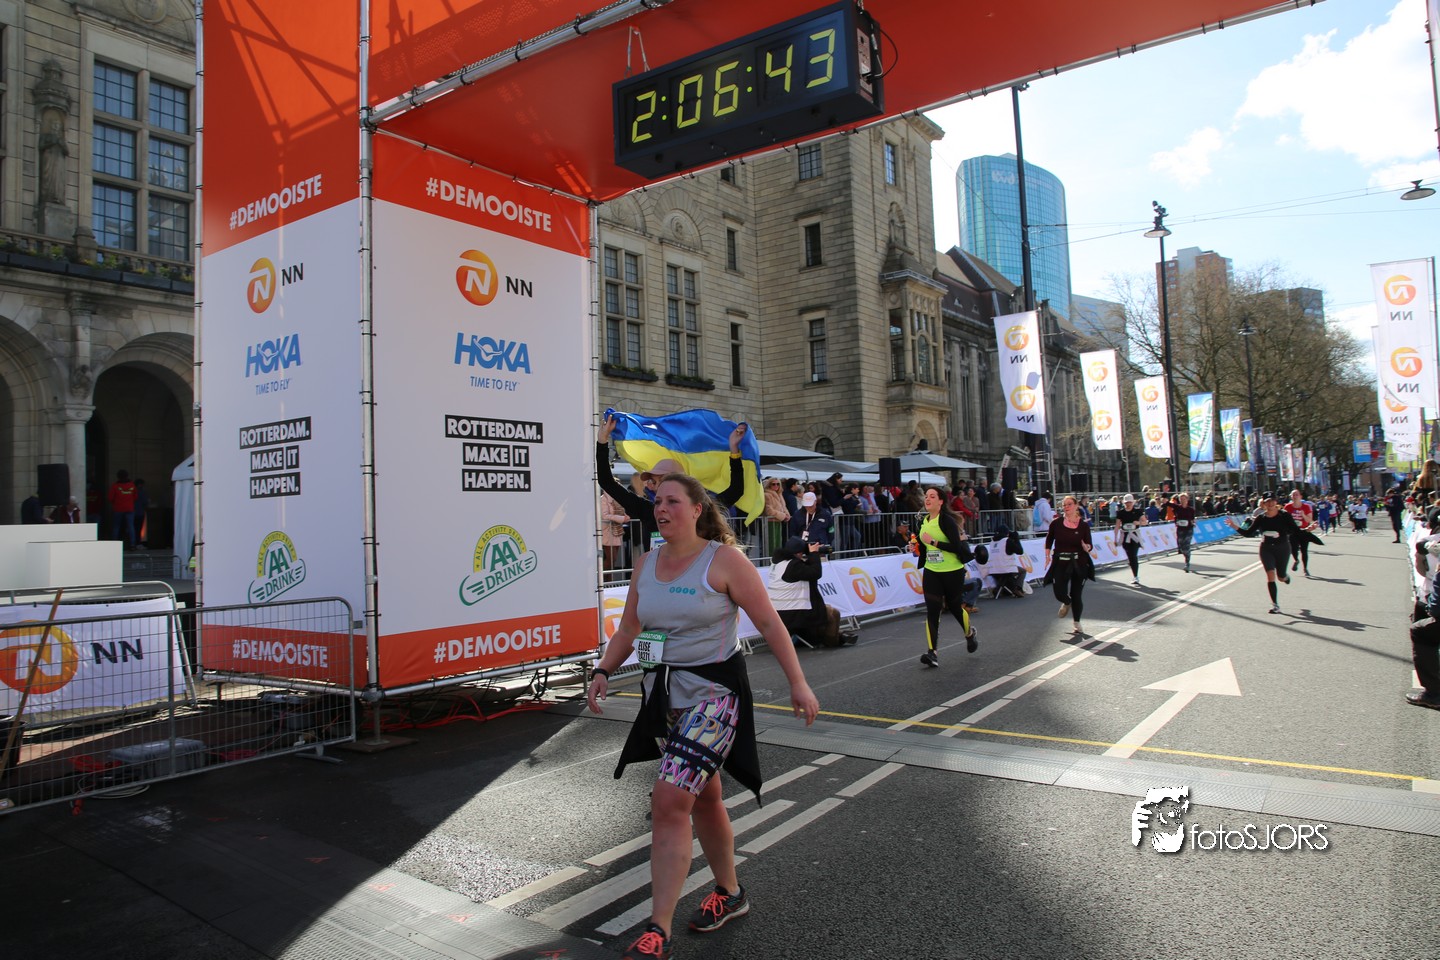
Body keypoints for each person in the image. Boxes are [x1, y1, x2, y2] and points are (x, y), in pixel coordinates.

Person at [586, 473, 818, 960]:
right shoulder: (646, 563)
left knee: (670, 799)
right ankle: (731, 893)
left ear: (696, 510)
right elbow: (630, 628)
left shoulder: (724, 561)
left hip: (715, 697)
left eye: (672, 501)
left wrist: (798, 683)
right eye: (657, 501)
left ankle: (658, 929)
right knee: (705, 797)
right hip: (664, 698)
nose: (661, 508)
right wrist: (605, 668)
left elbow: (770, 622)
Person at [597, 413, 746, 554]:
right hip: (660, 573)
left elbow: (736, 489)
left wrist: (734, 451)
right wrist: (602, 441)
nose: (653, 486)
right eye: (653, 481)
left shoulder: (700, 508)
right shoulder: (648, 510)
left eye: (659, 480)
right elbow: (607, 482)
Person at [916, 486, 977, 667]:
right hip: (932, 570)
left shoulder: (946, 521)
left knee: (955, 607)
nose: (927, 499)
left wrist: (934, 542)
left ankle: (969, 634)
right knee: (932, 610)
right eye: (926, 496)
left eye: (932, 496)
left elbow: (956, 547)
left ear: (941, 501)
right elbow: (924, 546)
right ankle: (932, 653)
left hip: (952, 571)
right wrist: (916, 547)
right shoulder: (924, 521)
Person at [768, 536, 855, 648]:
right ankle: (833, 641)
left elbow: (804, 570)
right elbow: (815, 573)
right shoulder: (793, 565)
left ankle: (833, 636)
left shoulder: (778, 563)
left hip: (777, 612)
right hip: (792, 613)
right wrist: (813, 553)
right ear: (799, 553)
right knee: (833, 613)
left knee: (822, 612)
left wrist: (811, 555)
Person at [1225, 497, 1303, 614]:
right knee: (1270, 575)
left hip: (1282, 548)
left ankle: (1285, 577)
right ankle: (1275, 605)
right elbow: (1248, 533)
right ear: (1264, 504)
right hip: (1266, 549)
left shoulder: (1284, 515)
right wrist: (1233, 526)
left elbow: (1295, 530)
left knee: (1280, 577)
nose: (1270, 504)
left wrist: (1306, 529)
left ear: (1276, 502)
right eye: (1267, 502)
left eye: (1272, 501)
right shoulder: (1261, 518)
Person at [1044, 495, 1098, 635]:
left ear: (1076, 506)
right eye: (1064, 505)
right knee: (1059, 592)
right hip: (1061, 562)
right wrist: (1047, 556)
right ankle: (1066, 602)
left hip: (1079, 563)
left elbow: (1089, 544)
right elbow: (1049, 539)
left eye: (1069, 504)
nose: (1066, 507)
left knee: (1076, 594)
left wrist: (1087, 547)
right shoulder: (1056, 523)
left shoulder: (1083, 526)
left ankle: (1077, 622)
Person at [1113, 493, 1148, 585]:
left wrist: (1138, 522)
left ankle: (1136, 576)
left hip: (1135, 536)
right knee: (1130, 555)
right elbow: (1117, 526)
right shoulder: (1121, 513)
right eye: (1126, 502)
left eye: (1129, 502)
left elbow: (1145, 522)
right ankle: (1133, 569)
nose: (1128, 504)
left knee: (1133, 555)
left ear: (1133, 502)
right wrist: (1115, 539)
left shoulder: (1138, 511)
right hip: (1125, 536)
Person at [1282, 489, 1318, 576]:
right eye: (1293, 495)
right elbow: (1283, 519)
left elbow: (1309, 520)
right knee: (1293, 548)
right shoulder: (1287, 507)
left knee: (1304, 550)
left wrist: (1303, 515)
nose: (1295, 496)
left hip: (1304, 530)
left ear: (1300, 497)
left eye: (1296, 495)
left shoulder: (1306, 507)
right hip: (1293, 531)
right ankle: (1296, 560)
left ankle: (1305, 568)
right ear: (1291, 497)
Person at [599, 490, 630, 583]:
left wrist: (625, 517)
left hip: (617, 531)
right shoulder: (603, 499)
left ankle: (608, 581)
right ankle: (602, 580)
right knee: (611, 559)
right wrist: (622, 518)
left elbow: (621, 511)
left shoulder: (617, 498)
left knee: (613, 559)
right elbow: (605, 516)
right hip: (608, 531)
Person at [108, 469, 138, 548]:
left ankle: (114, 544)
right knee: (131, 526)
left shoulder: (115, 486)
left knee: (116, 527)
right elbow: (135, 497)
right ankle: (132, 544)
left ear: (118, 477)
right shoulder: (132, 485)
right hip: (129, 508)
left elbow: (110, 498)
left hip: (118, 509)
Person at [1171, 491, 1198, 573]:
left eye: (1184, 499)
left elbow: (1193, 519)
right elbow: (1174, 516)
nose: (1183, 500)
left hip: (1189, 529)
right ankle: (1186, 555)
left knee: (1186, 545)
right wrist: (1176, 521)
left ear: (1187, 499)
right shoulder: (1177, 508)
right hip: (1180, 529)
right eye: (1181, 499)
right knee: (1181, 547)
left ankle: (1187, 563)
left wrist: (1193, 523)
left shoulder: (1191, 509)